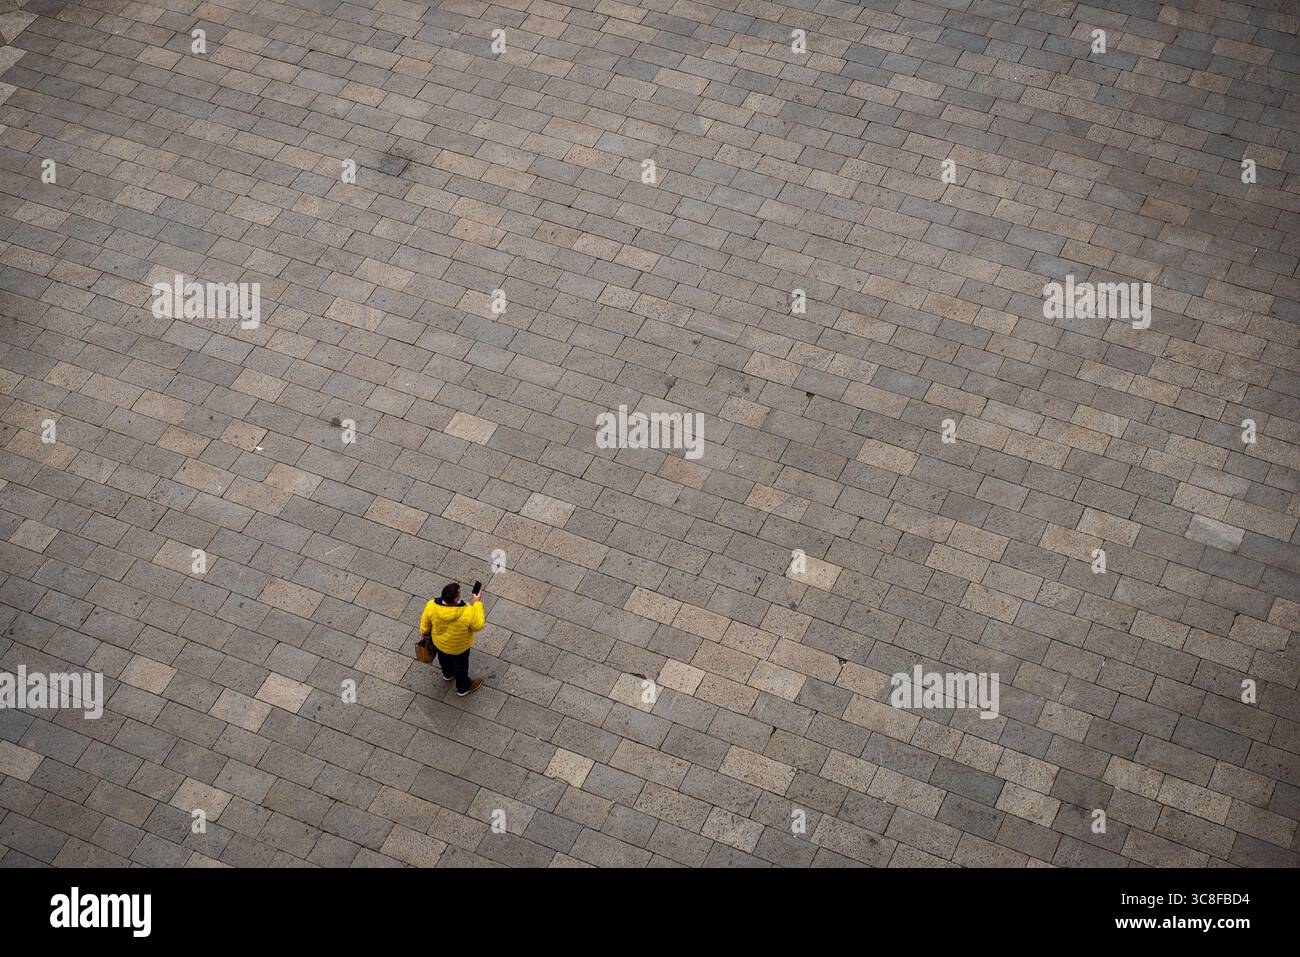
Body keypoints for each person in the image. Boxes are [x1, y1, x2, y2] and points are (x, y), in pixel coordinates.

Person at [420, 581, 486, 696]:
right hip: (460, 647)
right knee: (460, 666)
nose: (460, 594)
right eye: (459, 593)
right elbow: (479, 625)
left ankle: (447, 674)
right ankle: (463, 687)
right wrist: (477, 603)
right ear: (455, 599)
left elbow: (425, 623)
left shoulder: (431, 605)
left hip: (440, 643)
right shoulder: (467, 611)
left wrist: (423, 632)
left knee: (443, 659)